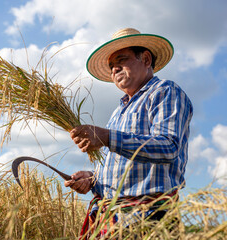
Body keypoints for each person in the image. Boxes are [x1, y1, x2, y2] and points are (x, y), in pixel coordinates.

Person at [64, 28, 193, 238]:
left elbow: (168, 146)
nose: (114, 69)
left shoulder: (165, 92)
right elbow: (119, 166)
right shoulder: (117, 112)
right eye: (111, 66)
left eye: (121, 59)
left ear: (146, 58)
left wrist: (106, 137)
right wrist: (91, 179)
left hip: (148, 217)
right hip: (110, 220)